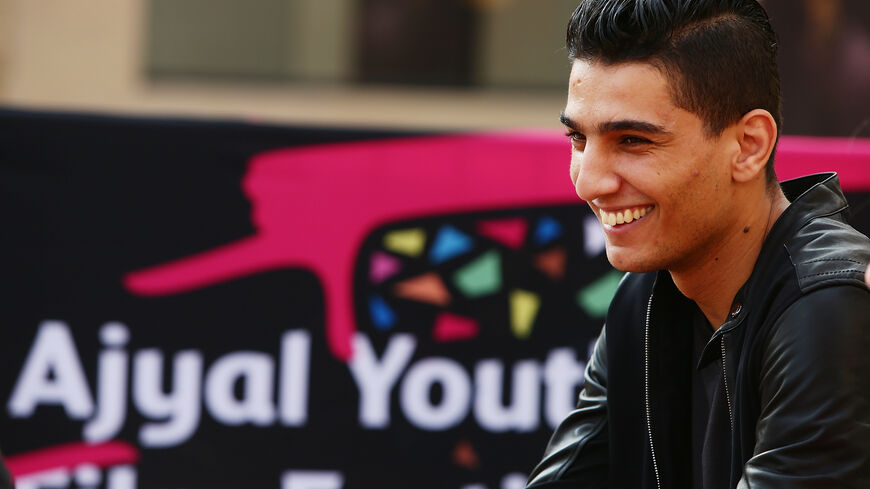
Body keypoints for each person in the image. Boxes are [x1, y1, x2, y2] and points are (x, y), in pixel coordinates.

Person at [526, 1, 870, 488]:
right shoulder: (640, 301)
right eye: (578, 139)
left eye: (633, 141)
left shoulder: (828, 306)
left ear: (749, 145)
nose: (589, 182)